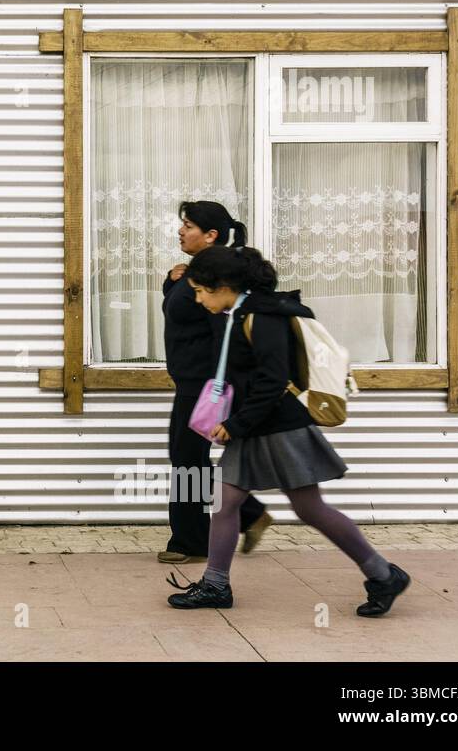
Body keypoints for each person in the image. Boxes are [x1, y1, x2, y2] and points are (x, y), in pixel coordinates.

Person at [165, 245, 411, 617]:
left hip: (280, 428)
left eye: (202, 291)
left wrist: (234, 424)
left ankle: (382, 573)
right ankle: (216, 585)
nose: (198, 300)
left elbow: (272, 381)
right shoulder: (236, 314)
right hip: (252, 427)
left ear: (225, 286)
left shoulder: (263, 316)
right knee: (224, 501)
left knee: (310, 508)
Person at [158, 202, 271, 565]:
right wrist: (171, 279)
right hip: (190, 379)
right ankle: (205, 532)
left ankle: (197, 536)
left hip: (204, 382)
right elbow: (182, 311)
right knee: (187, 458)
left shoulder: (218, 275)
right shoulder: (197, 271)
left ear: (211, 235)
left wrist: (226, 383)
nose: (180, 231)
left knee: (188, 459)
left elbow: (225, 330)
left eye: (188, 225)